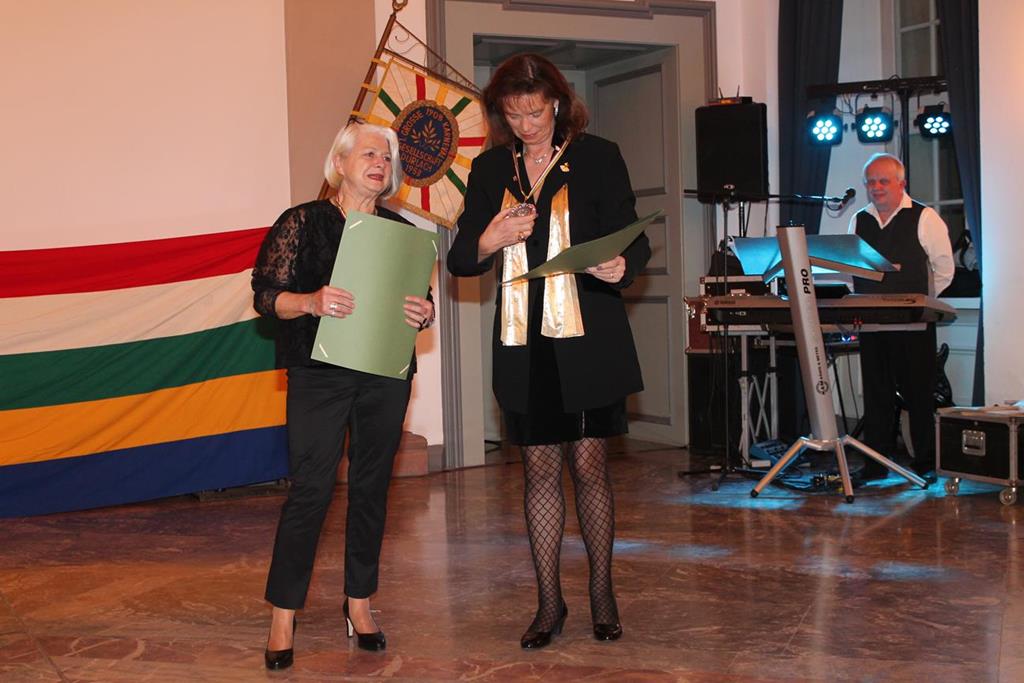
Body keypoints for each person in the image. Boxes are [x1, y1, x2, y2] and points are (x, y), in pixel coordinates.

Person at [447, 53, 650, 649]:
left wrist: (622, 264)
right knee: (537, 471)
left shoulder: (598, 156)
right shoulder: (490, 168)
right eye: (512, 115)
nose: (525, 125)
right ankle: (548, 604)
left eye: (534, 112)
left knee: (589, 467)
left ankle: (602, 596)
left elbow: (633, 234)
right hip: (524, 342)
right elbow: (461, 258)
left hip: (588, 337)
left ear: (557, 104)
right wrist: (490, 237)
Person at [253, 121, 434, 669]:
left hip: (384, 372)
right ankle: (283, 614)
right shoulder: (303, 221)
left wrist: (423, 311)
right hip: (320, 373)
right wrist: (310, 302)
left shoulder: (403, 231)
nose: (380, 163)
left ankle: (359, 603)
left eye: (388, 157)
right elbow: (266, 297)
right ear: (340, 163)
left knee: (372, 488)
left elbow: (418, 300)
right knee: (310, 489)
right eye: (370, 154)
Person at [849, 152, 953, 479]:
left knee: (919, 393)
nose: (876, 187)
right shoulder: (858, 220)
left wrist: (920, 302)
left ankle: (925, 463)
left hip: (914, 322)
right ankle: (875, 465)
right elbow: (850, 270)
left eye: (883, 181)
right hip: (872, 322)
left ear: (901, 183)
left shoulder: (925, 217)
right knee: (876, 394)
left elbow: (944, 269)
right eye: (871, 182)